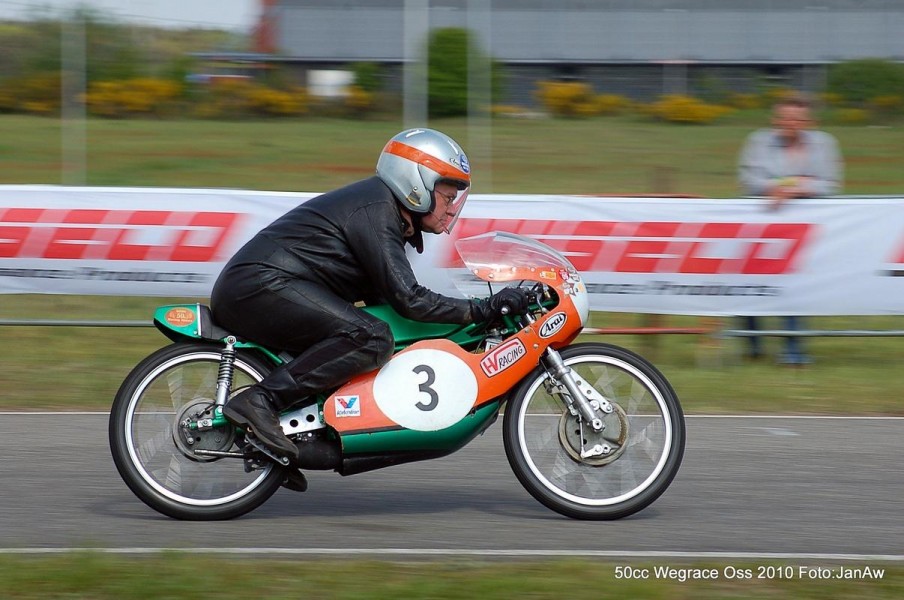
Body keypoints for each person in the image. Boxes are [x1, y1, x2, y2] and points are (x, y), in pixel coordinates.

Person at [210, 128, 528, 460]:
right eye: (447, 197)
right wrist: (483, 309)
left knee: (375, 335)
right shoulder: (376, 210)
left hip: (265, 286)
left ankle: (290, 442)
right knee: (370, 337)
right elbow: (410, 298)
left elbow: (393, 305)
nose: (451, 209)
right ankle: (260, 402)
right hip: (258, 286)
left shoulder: (388, 214)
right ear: (415, 183)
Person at [737, 92, 843, 365]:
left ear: (809, 121)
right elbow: (749, 178)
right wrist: (783, 185)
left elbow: (830, 183)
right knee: (752, 286)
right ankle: (752, 344)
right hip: (762, 224)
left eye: (796, 119)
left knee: (794, 286)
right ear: (775, 119)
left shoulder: (824, 144)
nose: (789, 123)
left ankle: (793, 349)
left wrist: (790, 188)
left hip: (803, 227)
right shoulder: (757, 142)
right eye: (783, 117)